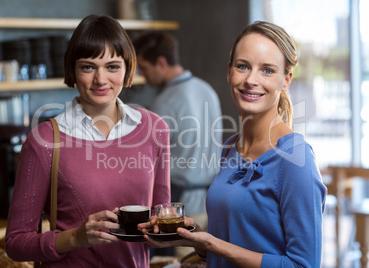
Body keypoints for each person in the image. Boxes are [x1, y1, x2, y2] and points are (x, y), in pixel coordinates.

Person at [140, 21, 327, 268]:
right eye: (243, 66)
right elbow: (230, 244)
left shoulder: (296, 159)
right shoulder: (230, 148)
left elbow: (304, 265)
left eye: (267, 70)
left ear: (286, 80)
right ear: (229, 72)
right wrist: (194, 237)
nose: (251, 79)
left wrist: (211, 244)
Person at [5, 15, 170, 267]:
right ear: (72, 70)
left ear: (128, 68)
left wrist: (175, 230)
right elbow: (16, 244)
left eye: (112, 66)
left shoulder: (155, 129)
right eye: (88, 67)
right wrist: (75, 238)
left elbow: (159, 222)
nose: (101, 80)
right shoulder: (45, 141)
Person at [133, 32, 223, 248]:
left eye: (144, 68)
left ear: (161, 63)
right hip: (214, 204)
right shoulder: (207, 89)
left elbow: (147, 162)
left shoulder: (164, 102)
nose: (143, 76)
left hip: (181, 211)